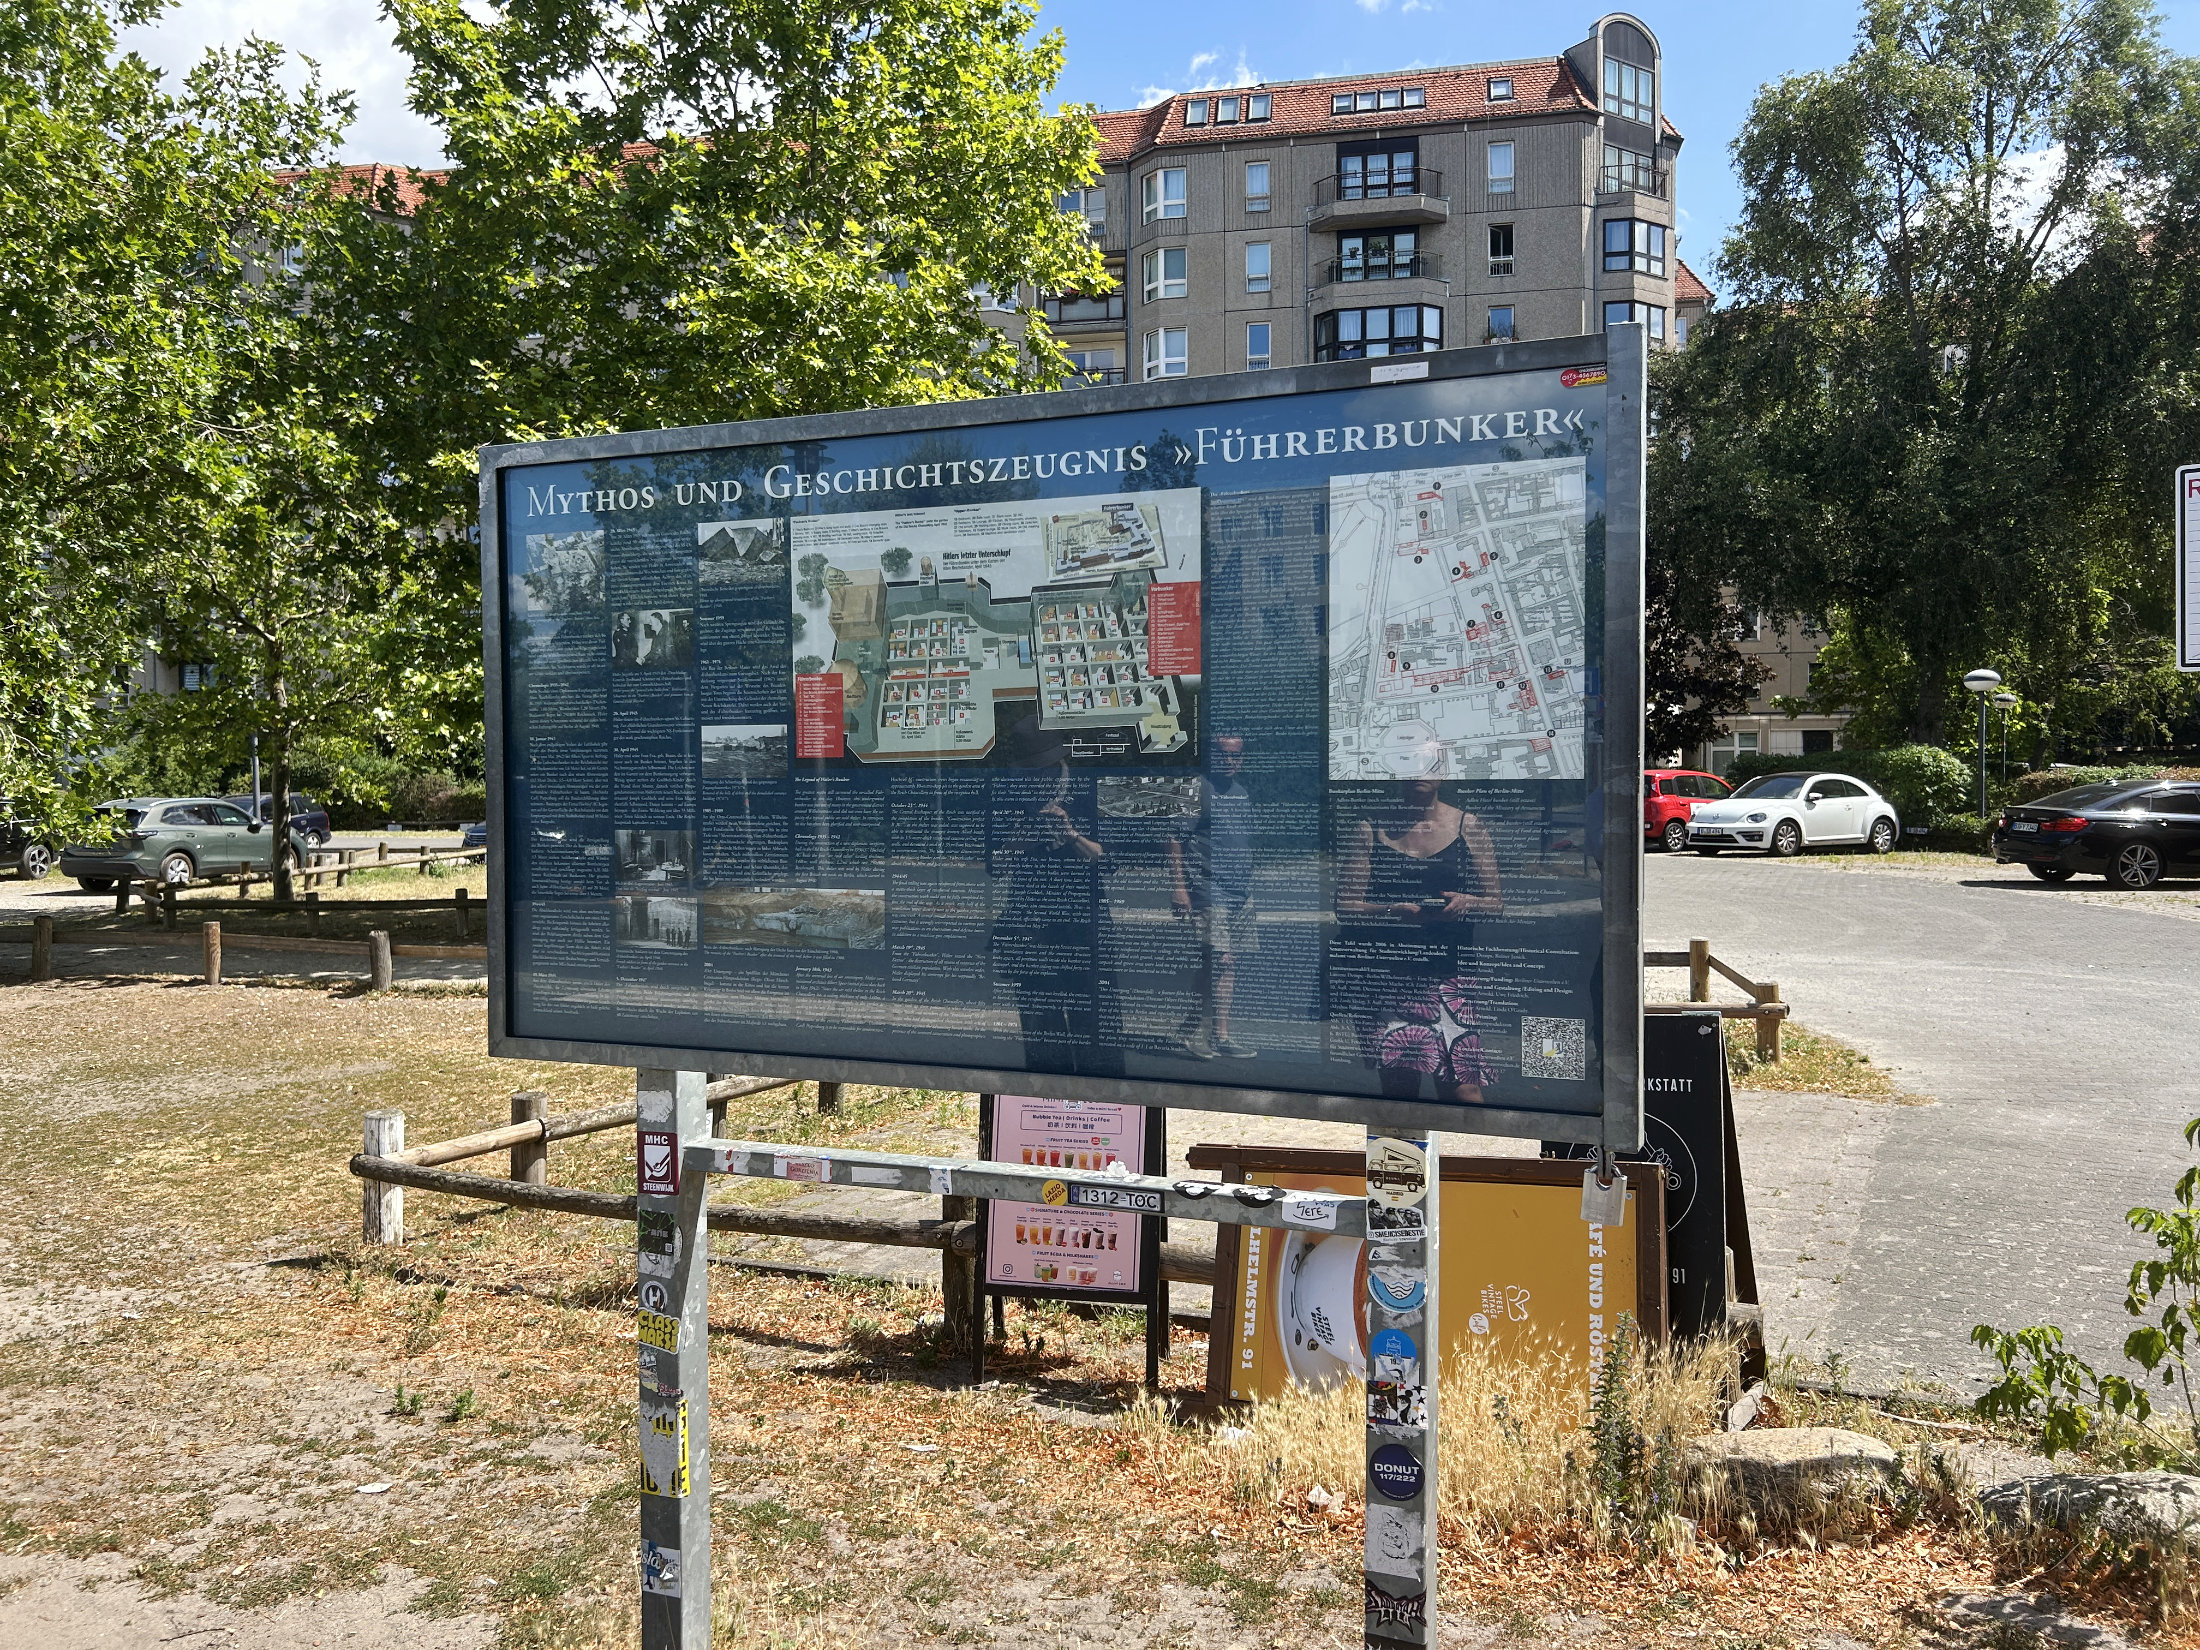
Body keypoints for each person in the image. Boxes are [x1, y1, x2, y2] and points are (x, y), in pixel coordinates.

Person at [1335, 773, 1503, 1102]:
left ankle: (1460, 1155)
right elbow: (1345, 905)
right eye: (1408, 766)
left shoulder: (1468, 825)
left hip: (1450, 973)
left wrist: (1466, 902)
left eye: (1427, 766)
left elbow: (1495, 903)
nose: (1418, 775)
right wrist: (1390, 910)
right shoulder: (1371, 827)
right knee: (1400, 1086)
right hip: (1389, 975)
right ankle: (1406, 1155)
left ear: (1442, 773)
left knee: (1464, 1089)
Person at [1167, 734, 1256, 1058]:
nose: (1230, 761)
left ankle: (1219, 1035)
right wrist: (1179, 888)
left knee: (1227, 966)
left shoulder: (1241, 792)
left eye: (1236, 755)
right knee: (1219, 961)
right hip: (1209, 890)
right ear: (1212, 755)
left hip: (1240, 894)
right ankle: (1191, 1031)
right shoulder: (1197, 789)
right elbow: (1175, 839)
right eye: (1224, 755)